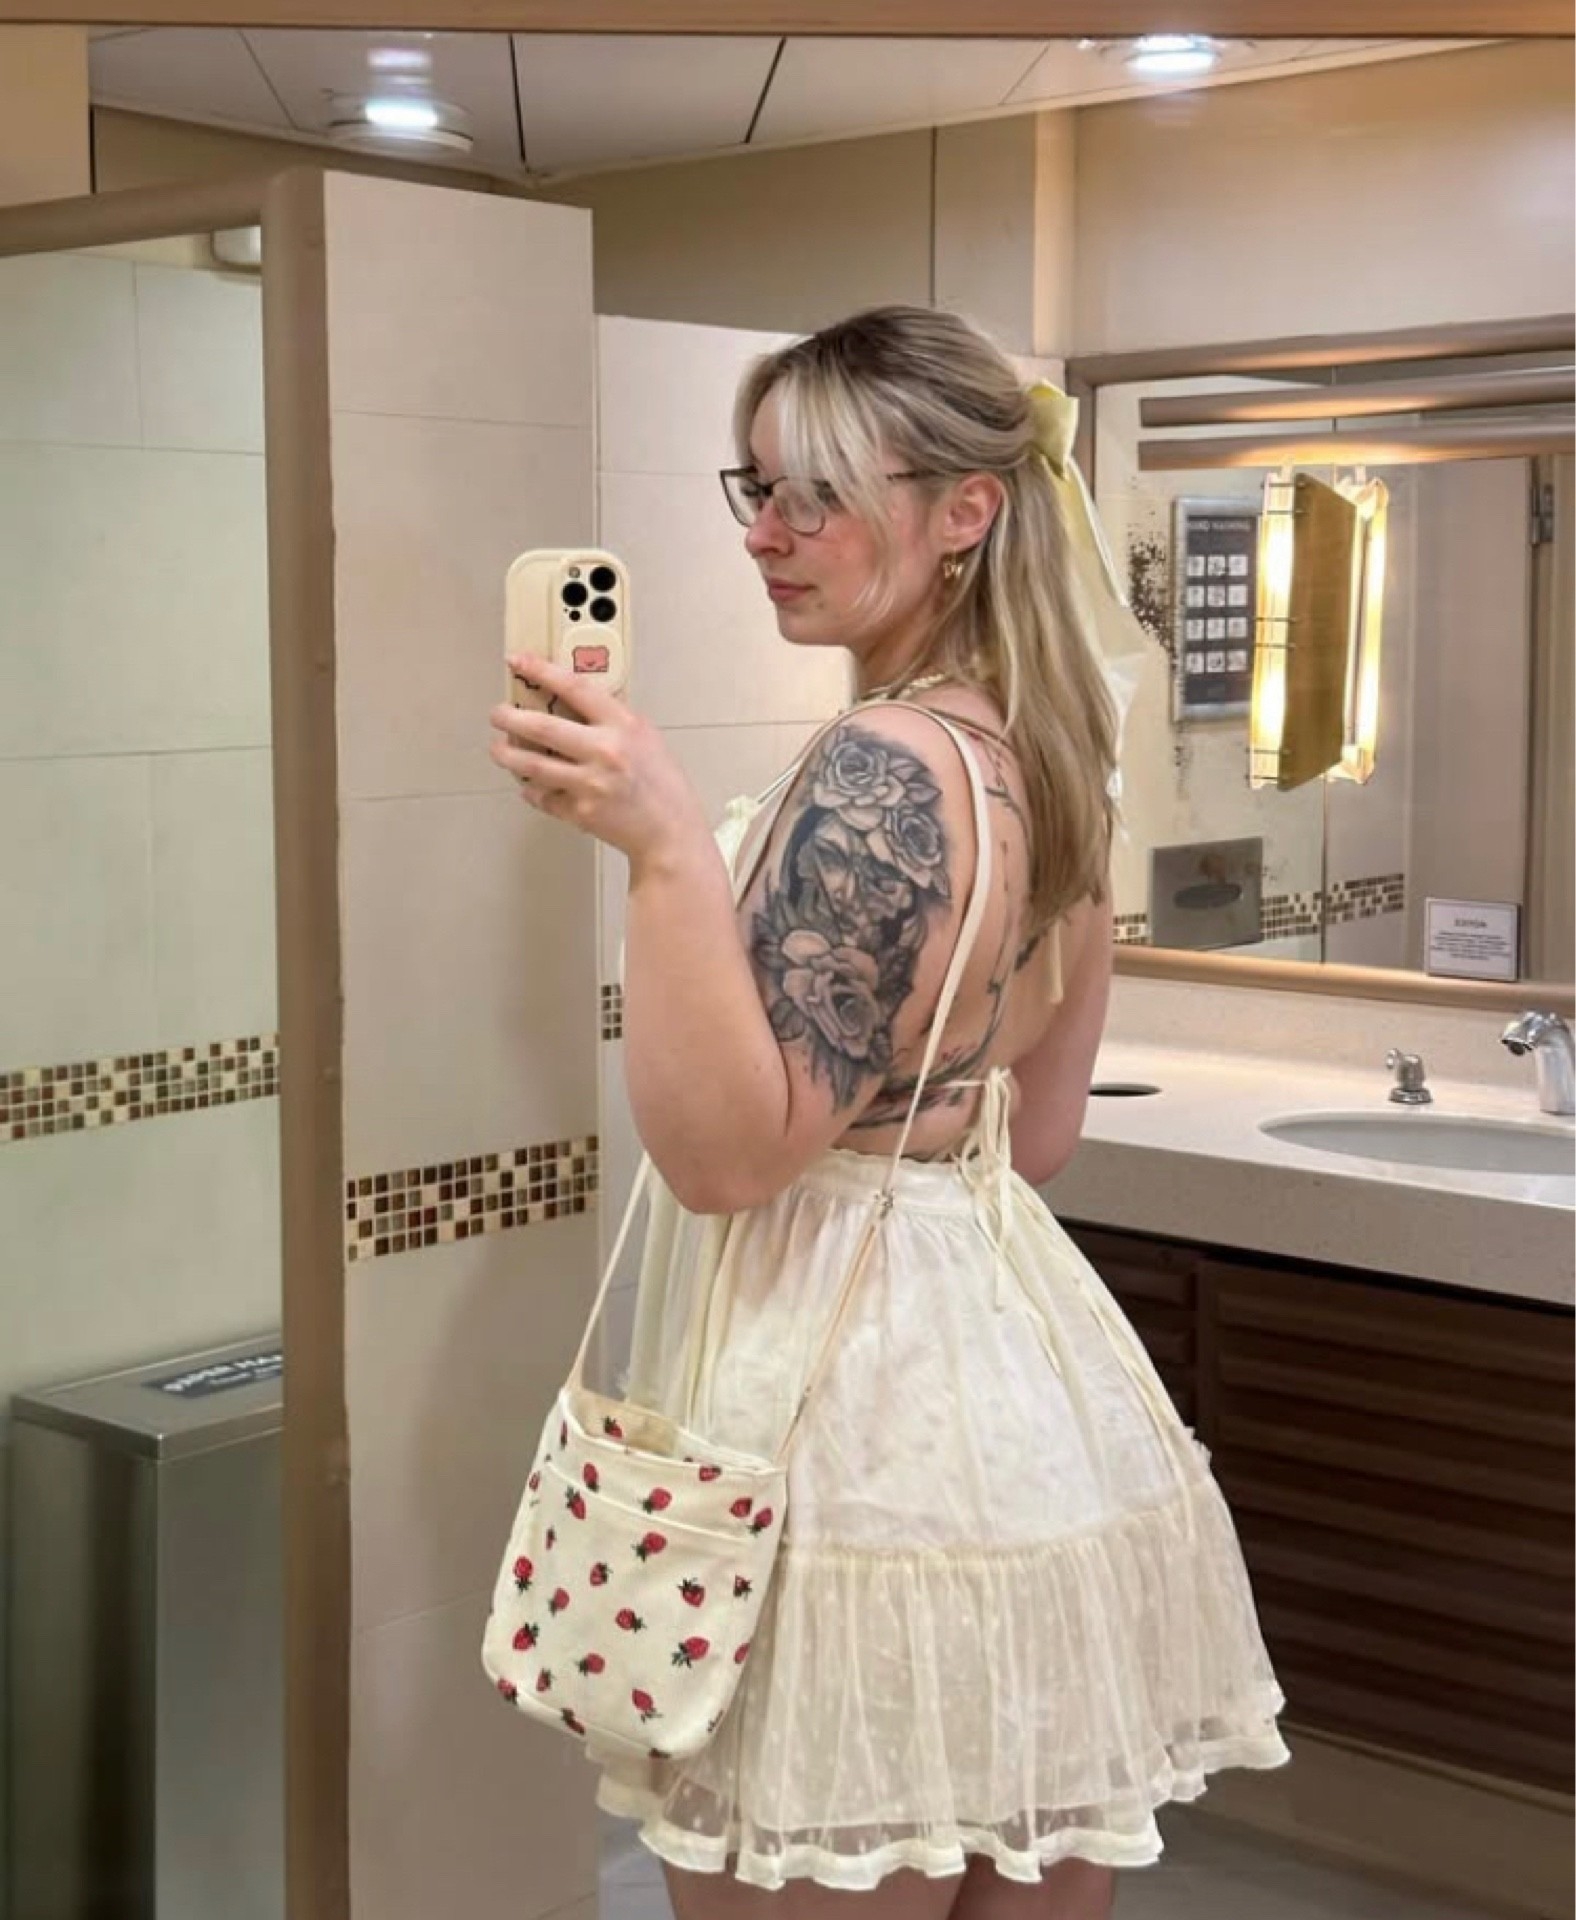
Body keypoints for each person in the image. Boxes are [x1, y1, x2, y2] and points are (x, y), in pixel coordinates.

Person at [488, 305, 1288, 1920]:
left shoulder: (885, 767)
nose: (766, 535)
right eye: (756, 489)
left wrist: (664, 850)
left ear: (963, 511)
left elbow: (727, 1159)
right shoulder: (1050, 754)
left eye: (817, 496)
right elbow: (1036, 1137)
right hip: (1026, 1430)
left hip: (847, 1438)